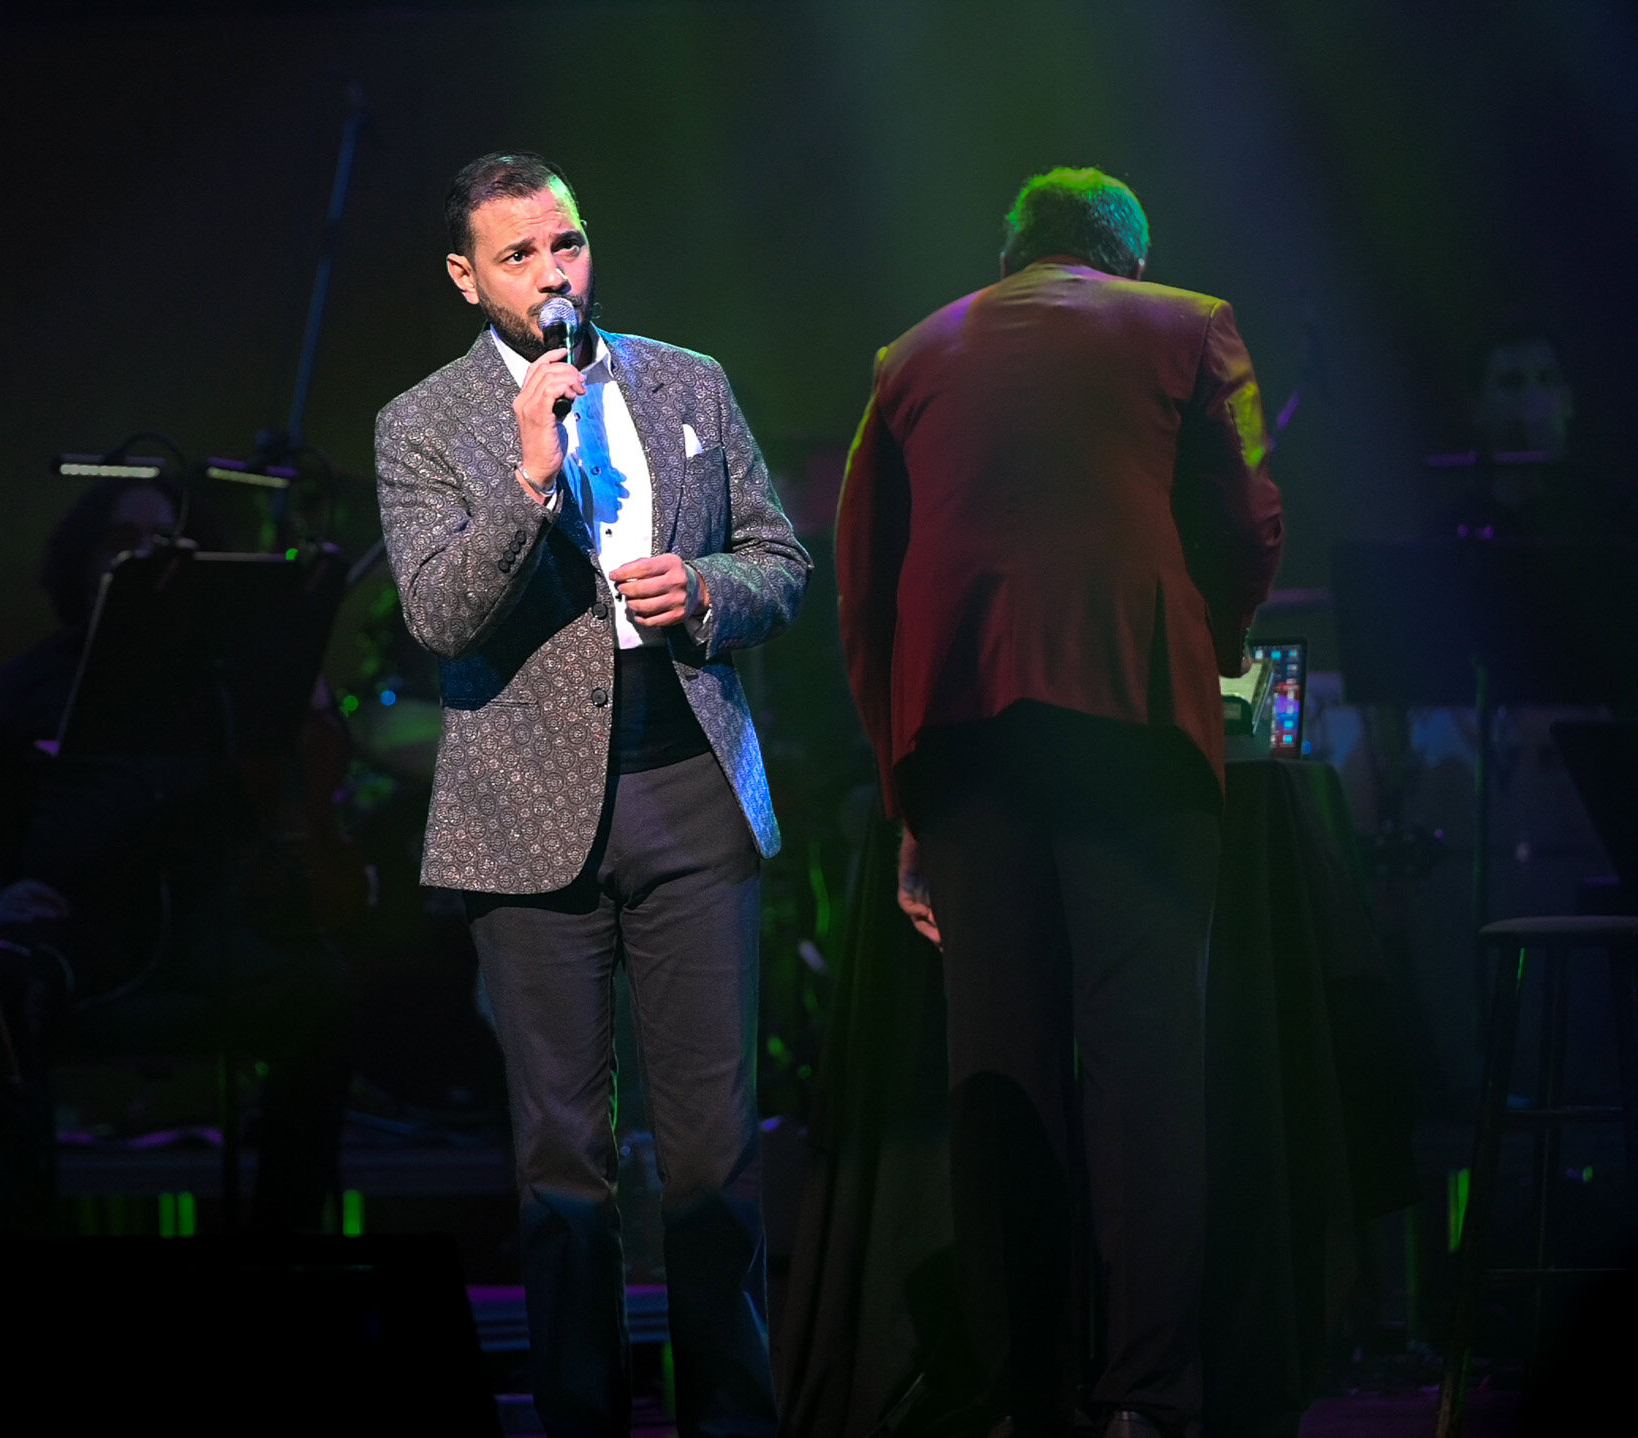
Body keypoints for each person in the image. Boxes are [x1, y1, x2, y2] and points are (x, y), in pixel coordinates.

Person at [835, 168, 1284, 1438]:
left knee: (1000, 1068)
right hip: (1133, 722)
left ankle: (1019, 1388)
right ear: (1123, 259)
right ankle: (1145, 1396)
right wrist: (1212, 645)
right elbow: (1248, 523)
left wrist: (898, 795)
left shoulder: (907, 356)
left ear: (1013, 253)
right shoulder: (1187, 324)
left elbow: (859, 590)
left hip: (965, 741)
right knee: (1146, 1067)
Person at [375, 151, 809, 1438]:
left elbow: (778, 558)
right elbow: (440, 612)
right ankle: (579, 1418)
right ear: (466, 278)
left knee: (710, 1155)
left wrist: (711, 594)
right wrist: (523, 475)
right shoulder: (422, 422)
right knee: (562, 1162)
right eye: (517, 256)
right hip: (523, 819)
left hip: (686, 793)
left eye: (564, 244)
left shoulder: (686, 380)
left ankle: (729, 1418)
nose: (552, 274)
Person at [0, 477, 356, 1234]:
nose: (138, 559)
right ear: (80, 559)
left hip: (201, 925)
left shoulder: (216, 682)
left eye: (159, 544)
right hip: (79, 926)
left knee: (323, 993)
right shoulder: (30, 681)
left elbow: (296, 781)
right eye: (117, 543)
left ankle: (285, 1244)